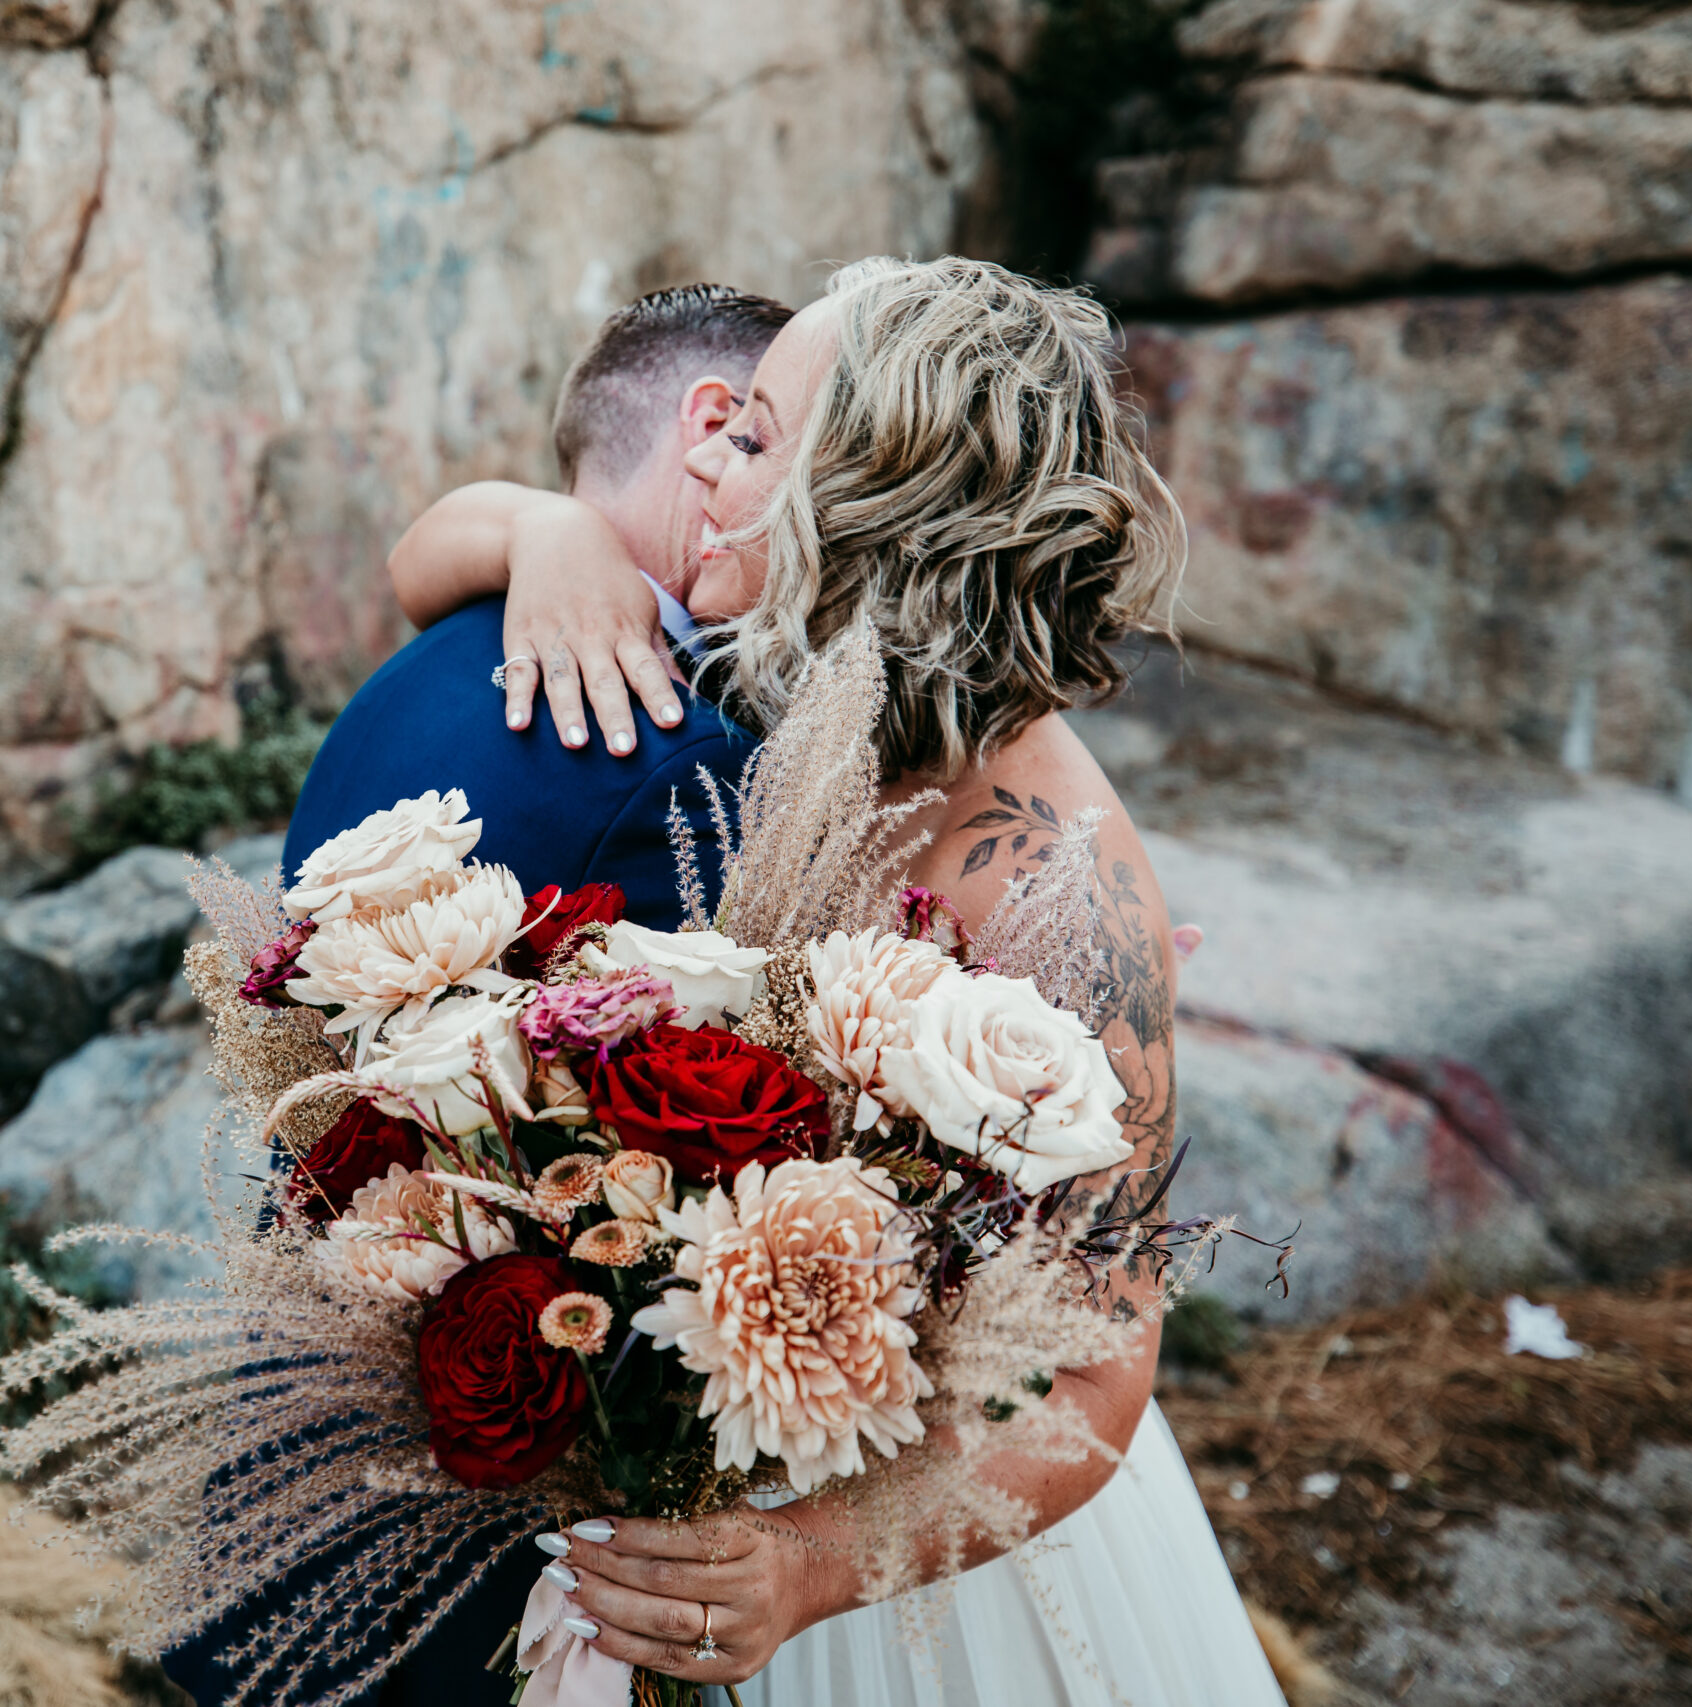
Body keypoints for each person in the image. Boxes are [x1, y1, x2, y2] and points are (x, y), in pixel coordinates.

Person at [384, 256, 1286, 1706]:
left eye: (754, 438)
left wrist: (804, 1568)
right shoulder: (767, 652)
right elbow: (424, 556)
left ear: (861, 500)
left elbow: (1098, 1379)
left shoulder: (1057, 890)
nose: (708, 458)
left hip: (895, 1545)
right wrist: (545, 529)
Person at [162, 283, 790, 1707]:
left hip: (297, 1391)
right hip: (486, 1474)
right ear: (712, 432)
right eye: (794, 450)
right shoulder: (671, 755)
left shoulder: (427, 662)